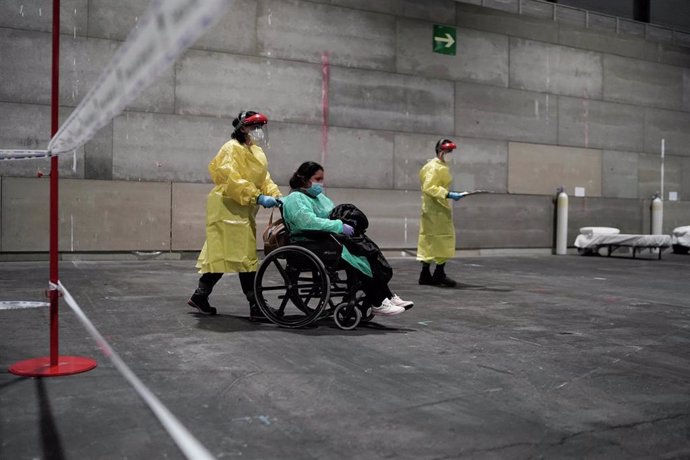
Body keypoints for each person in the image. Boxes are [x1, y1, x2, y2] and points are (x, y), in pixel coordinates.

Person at [281, 161, 413, 316]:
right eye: (317, 179)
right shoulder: (295, 198)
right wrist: (338, 225)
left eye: (322, 179)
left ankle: (386, 295)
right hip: (309, 242)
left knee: (368, 251)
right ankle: (378, 301)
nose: (321, 183)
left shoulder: (319, 198)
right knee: (359, 258)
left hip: (325, 238)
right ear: (305, 179)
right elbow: (308, 222)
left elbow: (332, 214)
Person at [188, 110, 281, 320]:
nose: (258, 131)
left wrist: (275, 194)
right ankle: (256, 305)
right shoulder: (231, 148)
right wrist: (257, 197)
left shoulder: (256, 152)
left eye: (260, 127)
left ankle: (200, 296)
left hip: (242, 209)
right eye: (254, 126)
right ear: (242, 127)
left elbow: (264, 178)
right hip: (227, 207)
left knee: (229, 255)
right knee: (240, 256)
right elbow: (230, 179)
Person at [417, 138, 465, 287]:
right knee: (441, 240)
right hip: (436, 209)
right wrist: (448, 194)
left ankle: (426, 274)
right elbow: (429, 187)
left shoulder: (437, 166)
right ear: (441, 151)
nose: (450, 154)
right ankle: (438, 273)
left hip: (433, 209)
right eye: (449, 151)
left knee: (429, 240)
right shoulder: (434, 167)